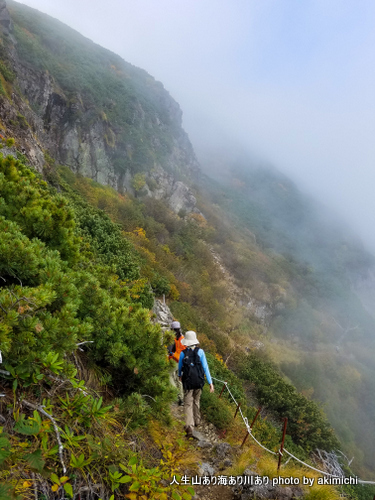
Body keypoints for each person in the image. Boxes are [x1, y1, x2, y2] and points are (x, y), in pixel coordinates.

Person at [178, 330, 214, 438]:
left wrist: (180, 376)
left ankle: (189, 426)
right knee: (196, 401)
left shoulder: (183, 354)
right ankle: (197, 421)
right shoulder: (201, 352)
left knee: (188, 403)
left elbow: (180, 368)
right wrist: (210, 383)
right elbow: (205, 368)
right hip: (199, 382)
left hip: (188, 383)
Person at [168, 321, 186, 405]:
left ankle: (175, 392)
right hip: (181, 363)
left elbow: (174, 351)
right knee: (179, 380)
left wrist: (172, 354)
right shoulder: (183, 338)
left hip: (175, 361)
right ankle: (181, 399)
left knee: (169, 376)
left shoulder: (175, 339)